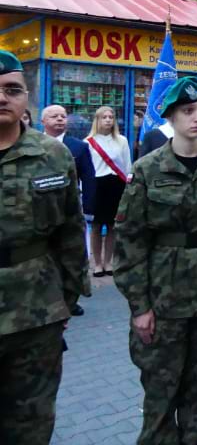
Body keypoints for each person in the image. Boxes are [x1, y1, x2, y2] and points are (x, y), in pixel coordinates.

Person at [114, 76, 197, 445]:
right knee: (161, 395)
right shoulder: (147, 170)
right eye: (188, 111)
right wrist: (139, 305)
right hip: (164, 298)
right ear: (171, 117)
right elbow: (129, 242)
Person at [0, 50, 90, 445]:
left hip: (35, 316)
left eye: (12, 90)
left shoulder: (53, 155)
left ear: (25, 100)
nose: (2, 98)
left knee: (31, 423)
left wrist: (65, 301)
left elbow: (70, 233)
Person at [41, 104, 96, 317]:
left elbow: (89, 178)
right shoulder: (33, 145)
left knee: (73, 256)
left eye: (63, 116)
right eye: (54, 116)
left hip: (71, 211)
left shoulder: (78, 147)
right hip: (43, 212)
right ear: (44, 121)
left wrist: (90, 209)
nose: (60, 119)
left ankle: (71, 300)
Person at [85, 105, 131, 278]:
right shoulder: (88, 142)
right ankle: (97, 264)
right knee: (96, 226)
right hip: (97, 185)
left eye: (111, 117)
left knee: (113, 225)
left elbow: (127, 165)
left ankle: (109, 262)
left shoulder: (122, 140)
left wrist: (128, 186)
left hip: (117, 184)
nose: (108, 120)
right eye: (104, 117)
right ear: (97, 120)